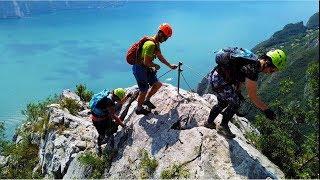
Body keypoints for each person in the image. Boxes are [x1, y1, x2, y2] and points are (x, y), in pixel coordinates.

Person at [204, 48, 287, 139]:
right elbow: (253, 97)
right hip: (220, 81)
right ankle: (222, 126)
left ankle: (209, 123)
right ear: (268, 63)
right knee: (236, 103)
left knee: (223, 103)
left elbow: (240, 75)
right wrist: (267, 110)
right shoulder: (252, 70)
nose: (271, 73)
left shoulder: (252, 59)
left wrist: (238, 91)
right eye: (272, 70)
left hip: (216, 76)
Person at [132, 23, 178, 115]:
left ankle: (147, 100)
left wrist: (169, 65)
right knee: (143, 90)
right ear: (160, 34)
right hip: (140, 69)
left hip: (146, 68)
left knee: (157, 84)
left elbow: (159, 56)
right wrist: (155, 66)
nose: (166, 40)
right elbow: (146, 62)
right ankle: (139, 109)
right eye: (165, 37)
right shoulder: (151, 44)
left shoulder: (155, 42)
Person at [90, 88, 132, 154]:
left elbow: (120, 103)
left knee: (111, 128)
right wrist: (123, 125)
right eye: (120, 98)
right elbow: (113, 116)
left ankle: (107, 136)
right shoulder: (109, 102)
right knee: (102, 134)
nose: (119, 100)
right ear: (117, 98)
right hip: (99, 121)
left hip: (101, 117)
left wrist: (127, 96)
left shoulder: (109, 95)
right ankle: (99, 146)